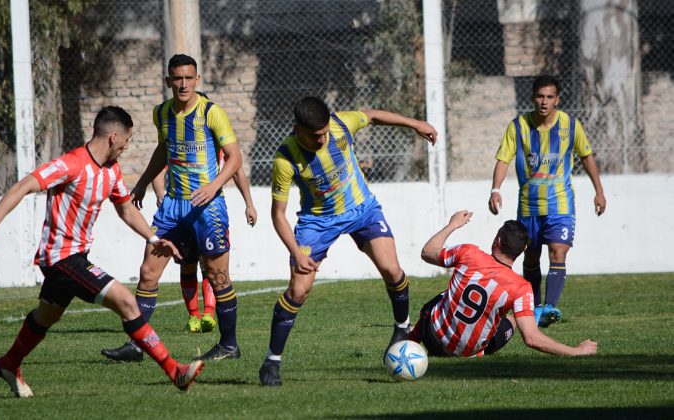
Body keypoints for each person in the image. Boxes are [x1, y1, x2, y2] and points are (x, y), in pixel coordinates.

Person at [0, 106, 204, 397]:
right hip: (61, 258)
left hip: (76, 258)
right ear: (113, 137)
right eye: (126, 142)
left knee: (46, 316)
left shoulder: (111, 171)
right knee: (127, 302)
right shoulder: (70, 165)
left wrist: (153, 239)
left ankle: (9, 363)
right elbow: (23, 186)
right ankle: (174, 370)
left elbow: (126, 209)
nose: (126, 148)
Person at [258, 96, 438, 386]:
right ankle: (271, 362)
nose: (322, 139)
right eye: (315, 136)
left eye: (325, 132)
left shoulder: (341, 124)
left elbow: (374, 114)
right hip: (317, 222)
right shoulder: (285, 158)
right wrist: (296, 251)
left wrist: (415, 123)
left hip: (362, 210)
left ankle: (402, 329)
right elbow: (278, 214)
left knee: (393, 271)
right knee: (298, 290)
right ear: (297, 129)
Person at [101, 54, 244, 363]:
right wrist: (141, 183)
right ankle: (138, 345)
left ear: (197, 80)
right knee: (148, 271)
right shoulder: (161, 113)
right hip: (173, 206)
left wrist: (214, 185)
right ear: (168, 81)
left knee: (218, 276)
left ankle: (229, 344)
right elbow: (163, 150)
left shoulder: (211, 113)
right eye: (177, 78)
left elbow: (235, 158)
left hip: (208, 205)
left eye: (188, 78)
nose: (182, 84)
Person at [488, 75, 606, 328]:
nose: (544, 102)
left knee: (558, 251)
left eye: (549, 97)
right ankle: (535, 307)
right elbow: (503, 159)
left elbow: (586, 156)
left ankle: (550, 307)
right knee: (531, 258)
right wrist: (495, 189)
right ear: (533, 98)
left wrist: (599, 191)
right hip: (529, 207)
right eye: (540, 96)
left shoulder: (570, 125)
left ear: (557, 99)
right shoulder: (518, 126)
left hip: (560, 204)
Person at [408, 210, 598, 358]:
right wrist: (577, 350)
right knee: (515, 318)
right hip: (466, 354)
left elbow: (428, 252)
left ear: (497, 240)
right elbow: (532, 338)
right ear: (523, 250)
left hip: (432, 339)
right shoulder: (521, 287)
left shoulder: (468, 254)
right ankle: (478, 350)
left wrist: (453, 225)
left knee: (442, 297)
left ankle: (409, 340)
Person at [152, 163, 257, 334]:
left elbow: (237, 171)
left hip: (211, 212)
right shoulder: (180, 144)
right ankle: (194, 316)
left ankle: (208, 314)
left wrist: (249, 204)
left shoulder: (222, 147)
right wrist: (159, 193)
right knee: (187, 264)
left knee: (212, 267)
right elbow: (158, 169)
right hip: (182, 213)